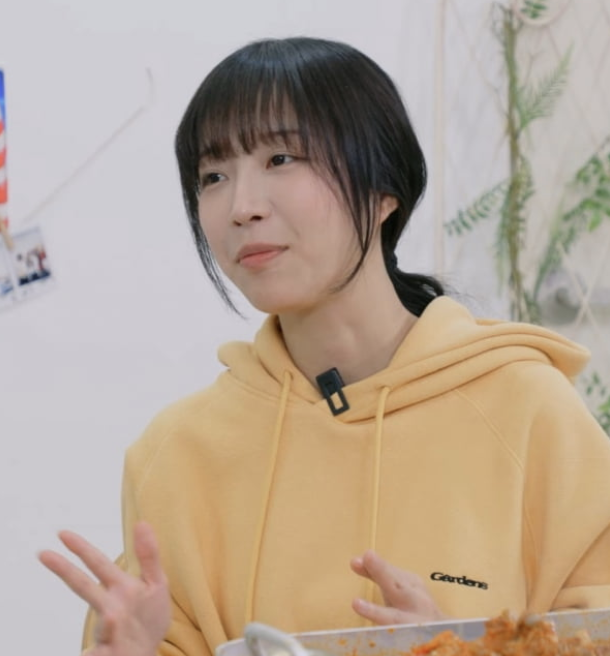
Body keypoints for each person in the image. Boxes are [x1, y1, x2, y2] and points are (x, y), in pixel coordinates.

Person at [39, 36, 610, 656]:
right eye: (213, 176)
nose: (242, 207)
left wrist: (462, 650)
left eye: (281, 158)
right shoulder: (176, 455)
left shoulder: (527, 412)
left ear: (383, 188)